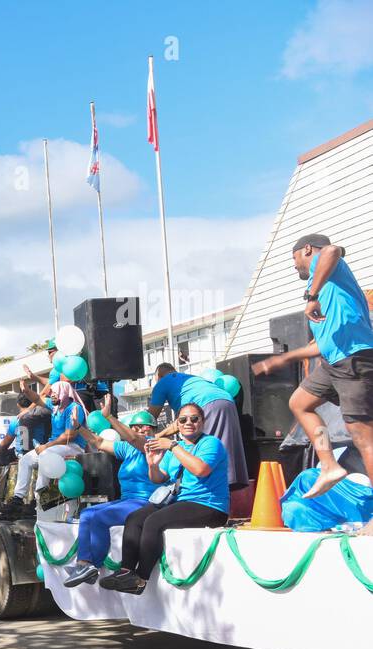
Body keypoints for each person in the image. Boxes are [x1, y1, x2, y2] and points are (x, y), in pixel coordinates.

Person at [253, 234, 373, 501]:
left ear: (306, 249)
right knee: (300, 402)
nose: (294, 265)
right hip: (334, 361)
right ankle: (329, 466)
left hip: (353, 358)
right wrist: (283, 359)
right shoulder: (326, 287)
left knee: (364, 436)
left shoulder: (325, 265)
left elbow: (332, 250)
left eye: (294, 258)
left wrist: (312, 295)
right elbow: (320, 344)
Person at [101, 403, 230, 595]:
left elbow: (200, 469)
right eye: (183, 419)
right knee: (135, 518)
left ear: (202, 422)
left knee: (153, 521)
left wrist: (172, 445)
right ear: (177, 423)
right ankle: (126, 572)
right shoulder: (176, 449)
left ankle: (140, 579)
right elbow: (159, 478)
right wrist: (152, 466)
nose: (189, 423)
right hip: (182, 502)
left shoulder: (210, 443)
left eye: (194, 419)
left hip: (209, 505)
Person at [62, 409, 159, 587]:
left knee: (100, 517)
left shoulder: (156, 445)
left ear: (154, 429)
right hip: (127, 500)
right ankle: (83, 564)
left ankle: (93, 565)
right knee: (87, 513)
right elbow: (97, 441)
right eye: (135, 426)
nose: (141, 429)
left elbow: (135, 439)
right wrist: (78, 427)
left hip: (147, 501)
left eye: (146, 426)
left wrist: (108, 417)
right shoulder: (128, 448)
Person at [148, 362, 248, 490]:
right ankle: (230, 488)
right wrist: (160, 435)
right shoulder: (190, 379)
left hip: (206, 406)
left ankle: (203, 492)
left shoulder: (163, 382)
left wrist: (147, 436)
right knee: (224, 452)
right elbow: (182, 423)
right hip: (228, 401)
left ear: (159, 376)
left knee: (203, 450)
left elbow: (150, 418)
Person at [3, 380, 87, 517]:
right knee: (25, 460)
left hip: (72, 446)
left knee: (45, 455)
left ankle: (39, 499)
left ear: (64, 393)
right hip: (55, 447)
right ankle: (18, 498)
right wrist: (26, 391)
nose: (51, 395)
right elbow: (37, 398)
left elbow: (70, 435)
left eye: (54, 393)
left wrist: (46, 446)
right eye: (51, 392)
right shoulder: (55, 406)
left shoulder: (74, 408)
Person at [0, 394, 51, 469]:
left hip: (23, 454)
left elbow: (5, 444)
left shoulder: (18, 420)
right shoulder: (43, 417)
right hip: (41, 451)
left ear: (18, 405)